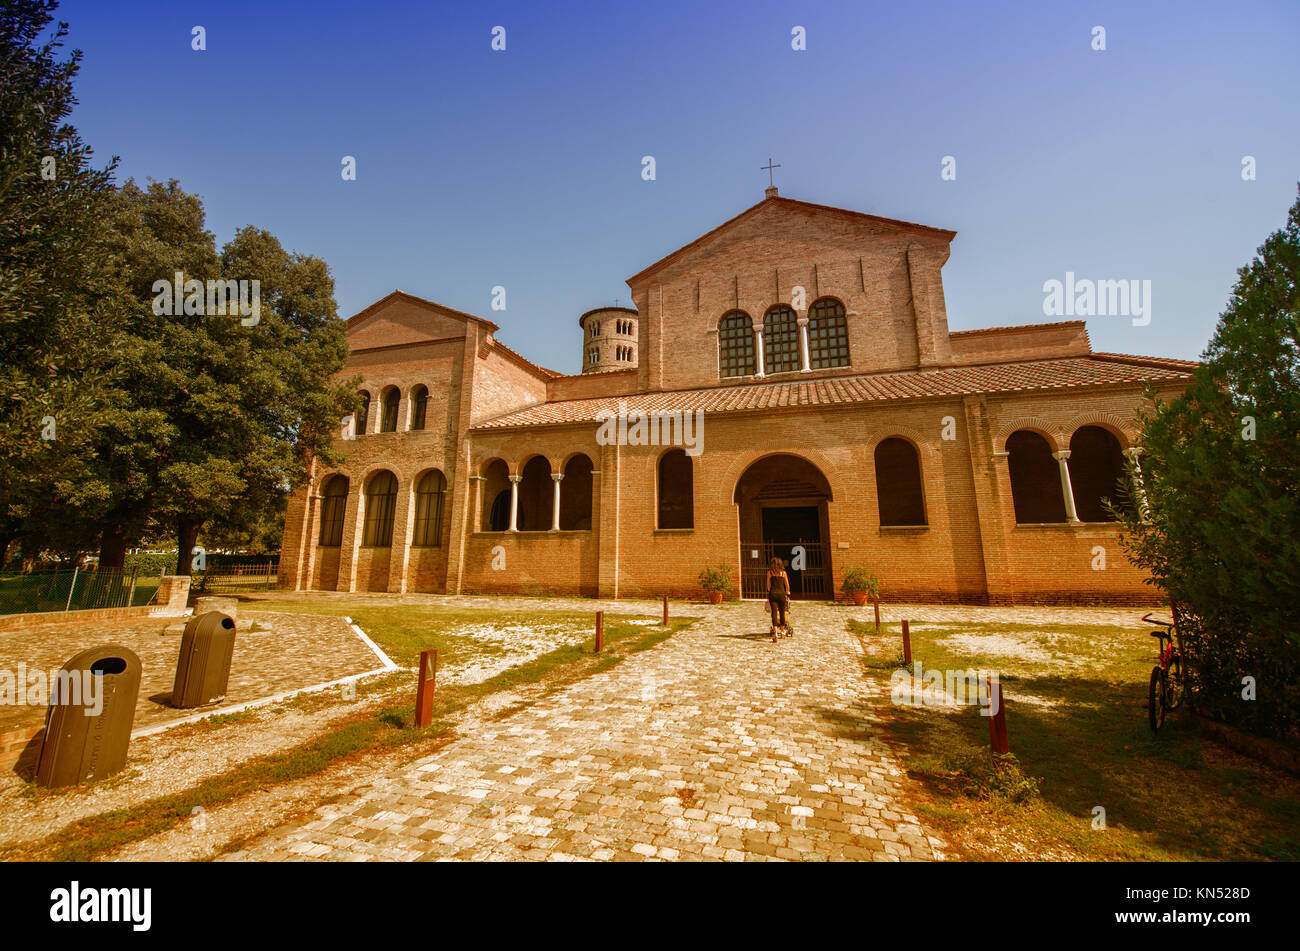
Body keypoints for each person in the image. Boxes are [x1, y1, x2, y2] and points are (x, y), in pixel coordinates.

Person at [768, 556, 792, 641]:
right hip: (782, 595)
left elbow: (768, 586)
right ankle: (782, 632)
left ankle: (775, 633)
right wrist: (788, 592)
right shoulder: (783, 573)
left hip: (773, 594)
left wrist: (770, 590)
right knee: (782, 613)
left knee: (774, 613)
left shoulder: (770, 573)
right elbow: (787, 585)